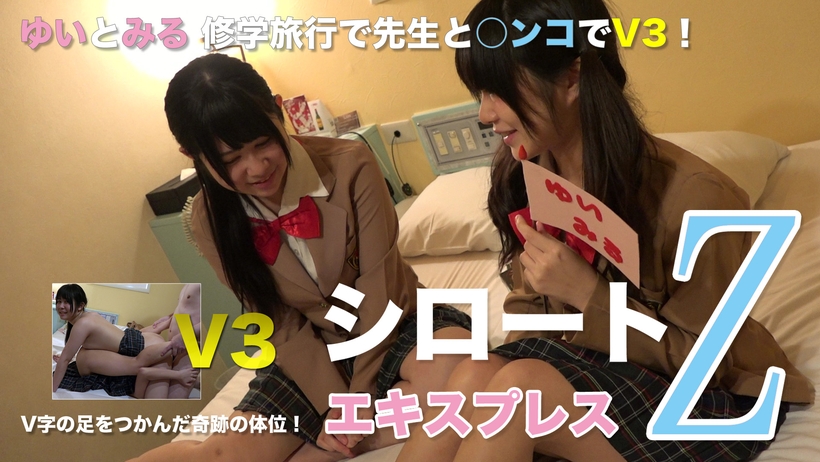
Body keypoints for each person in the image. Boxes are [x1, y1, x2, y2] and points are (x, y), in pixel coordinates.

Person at [396, 1, 814, 461]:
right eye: (480, 92)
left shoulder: (695, 196)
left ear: (571, 78)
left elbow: (706, 359)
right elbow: (530, 310)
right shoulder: (527, 173)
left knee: (521, 390)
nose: (484, 113)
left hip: (706, 393)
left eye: (499, 89)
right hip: (596, 365)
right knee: (473, 376)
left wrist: (588, 294)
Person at [131, 53, 472, 462]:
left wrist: (355, 402)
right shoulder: (209, 220)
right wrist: (331, 404)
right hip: (309, 349)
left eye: (263, 143)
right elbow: (277, 319)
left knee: (463, 371)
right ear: (192, 154)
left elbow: (378, 288)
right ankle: (340, 437)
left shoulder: (351, 165)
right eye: (231, 160)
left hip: (396, 323)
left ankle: (333, 445)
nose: (256, 168)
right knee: (222, 453)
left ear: (279, 110)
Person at [52, 284, 178, 397]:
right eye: (59, 301)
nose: (61, 306)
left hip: (143, 347)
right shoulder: (90, 316)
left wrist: (52, 390)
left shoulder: (82, 325)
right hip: (143, 339)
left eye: (66, 302)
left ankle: (181, 350)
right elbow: (74, 352)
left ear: (80, 306)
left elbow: (65, 359)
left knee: (137, 366)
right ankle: (175, 332)